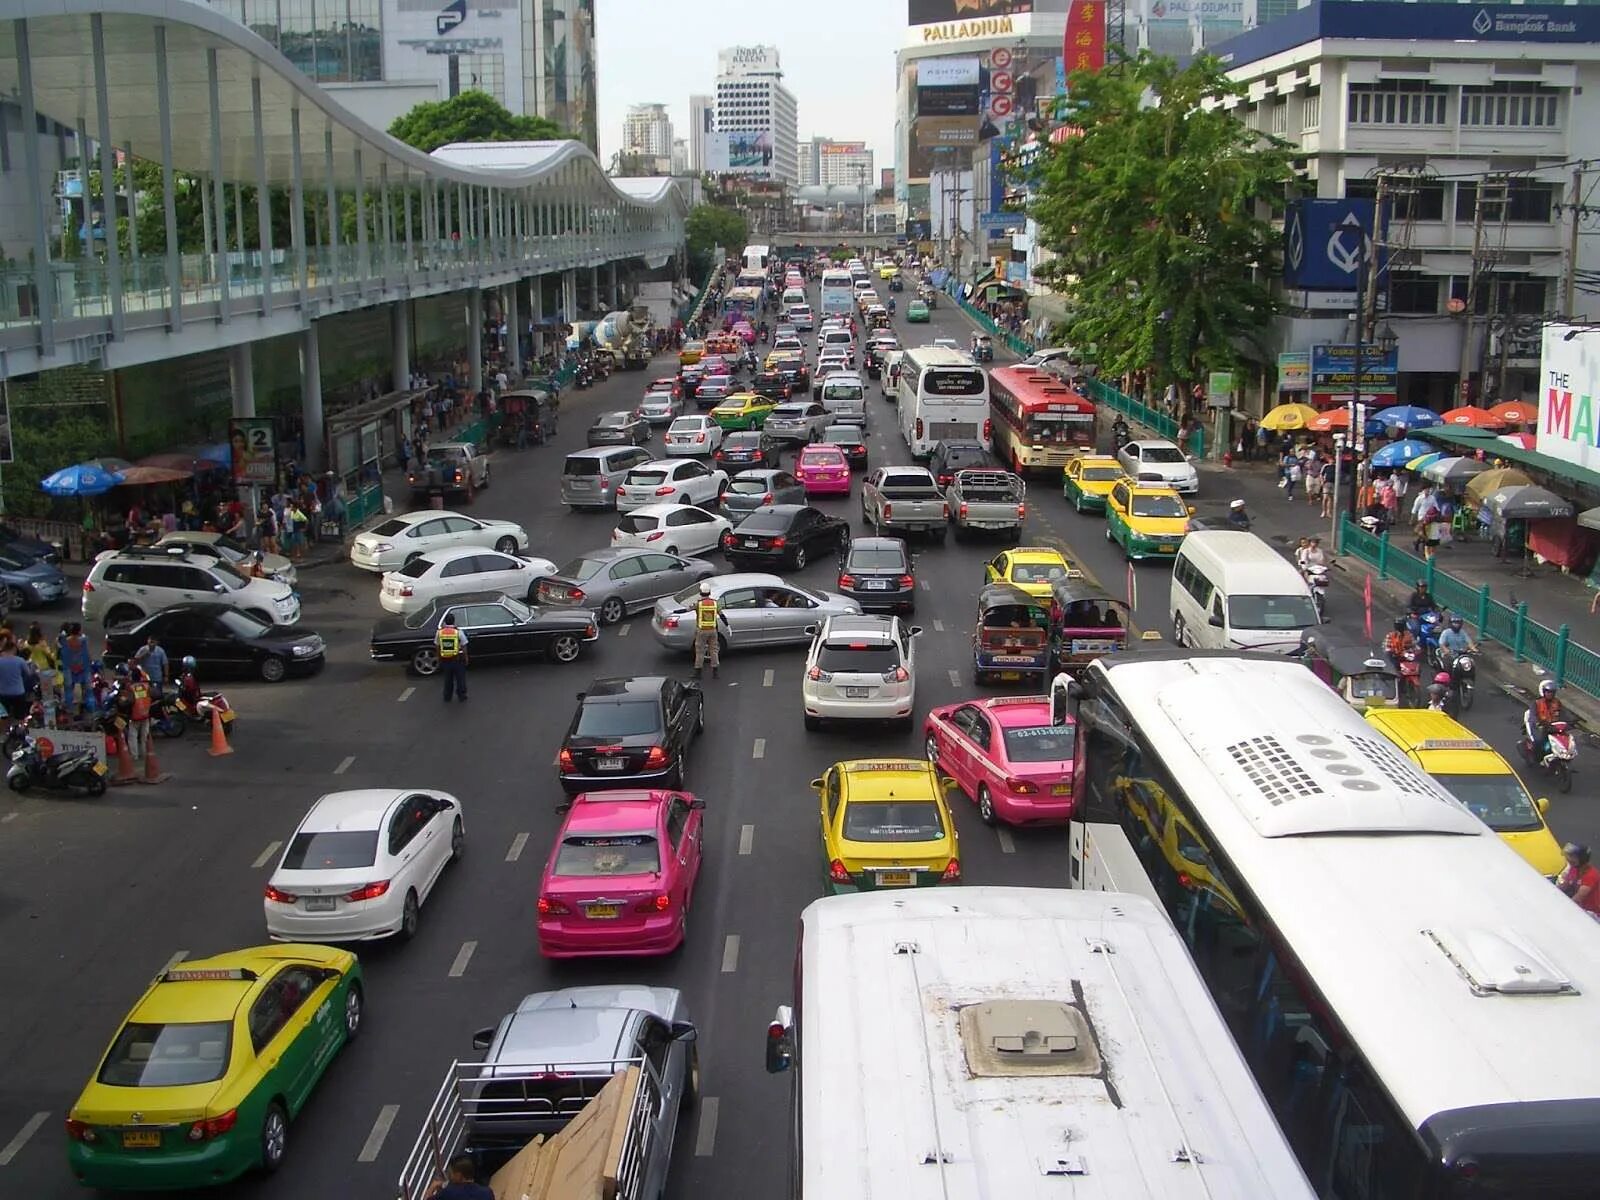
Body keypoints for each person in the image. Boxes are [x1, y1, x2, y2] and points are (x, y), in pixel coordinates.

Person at [425, 1153, 494, 1200]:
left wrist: (433, 1186)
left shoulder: (448, 1193)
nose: (448, 1176)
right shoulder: (487, 1193)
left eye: (450, 1174)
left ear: (458, 1175)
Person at [436, 610, 468, 702]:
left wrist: (439, 658)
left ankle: (447, 696)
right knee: (460, 679)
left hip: (445, 659)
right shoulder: (458, 632)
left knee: (448, 679)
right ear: (454, 621)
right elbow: (464, 645)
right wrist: (466, 658)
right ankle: (462, 696)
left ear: (445, 622)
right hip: (457, 659)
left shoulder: (440, 632)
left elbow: (437, 646)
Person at [1527, 678, 1563, 760]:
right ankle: (1537, 759)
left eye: (1552, 692)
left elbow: (1564, 713)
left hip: (1554, 727)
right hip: (1541, 727)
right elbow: (1533, 716)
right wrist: (1538, 723)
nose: (1550, 694)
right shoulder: (1536, 703)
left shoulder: (1557, 702)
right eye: (1548, 692)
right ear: (1543, 692)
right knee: (1539, 742)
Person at [60, 623, 91, 715]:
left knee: (69, 689)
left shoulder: (66, 641)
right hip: (82, 667)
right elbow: (87, 654)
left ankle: (69, 708)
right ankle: (87, 707)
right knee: (85, 688)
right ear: (79, 630)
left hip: (69, 668)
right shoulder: (83, 640)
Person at [692, 581, 721, 679]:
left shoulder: (698, 604)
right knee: (714, 651)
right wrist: (727, 625)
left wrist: (676, 612)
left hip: (701, 631)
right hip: (713, 631)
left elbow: (686, 610)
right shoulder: (715, 603)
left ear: (700, 592)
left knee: (700, 651)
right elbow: (721, 615)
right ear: (709, 592)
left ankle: (698, 673)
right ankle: (715, 672)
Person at [125, 664, 153, 763]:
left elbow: (129, 701)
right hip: (145, 715)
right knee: (144, 736)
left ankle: (134, 756)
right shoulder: (146, 686)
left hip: (135, 716)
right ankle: (145, 754)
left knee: (132, 736)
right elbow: (152, 695)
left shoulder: (130, 687)